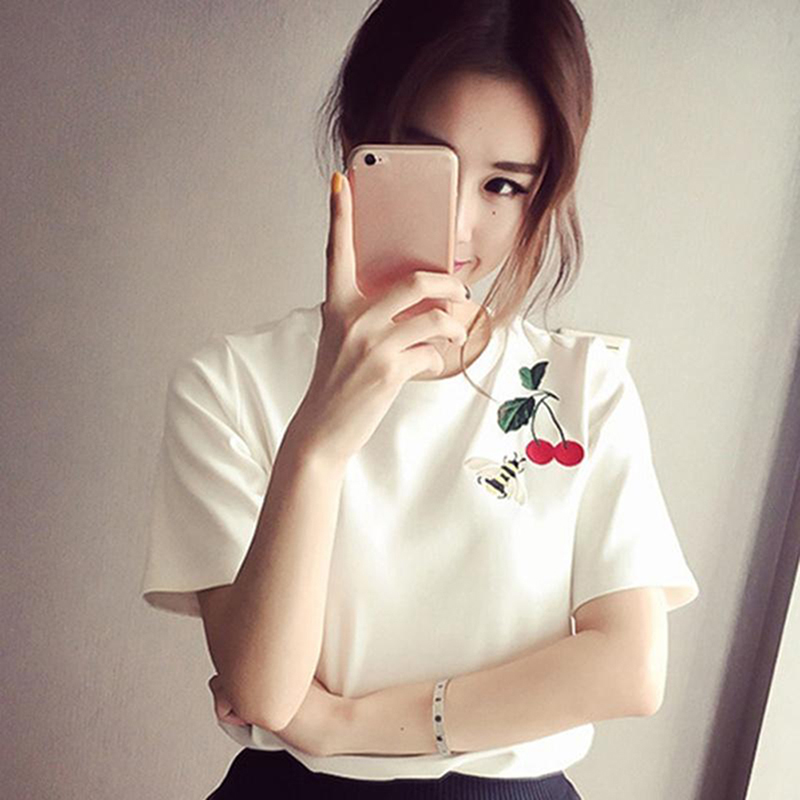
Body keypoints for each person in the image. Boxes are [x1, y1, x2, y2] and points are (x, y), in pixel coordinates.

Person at [139, 1, 701, 797]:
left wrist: (346, 725)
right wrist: (319, 442)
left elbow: (628, 670)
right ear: (357, 145)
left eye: (503, 185)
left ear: (540, 198)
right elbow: (264, 691)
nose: (459, 227)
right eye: (426, 167)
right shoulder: (230, 383)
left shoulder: (584, 386)